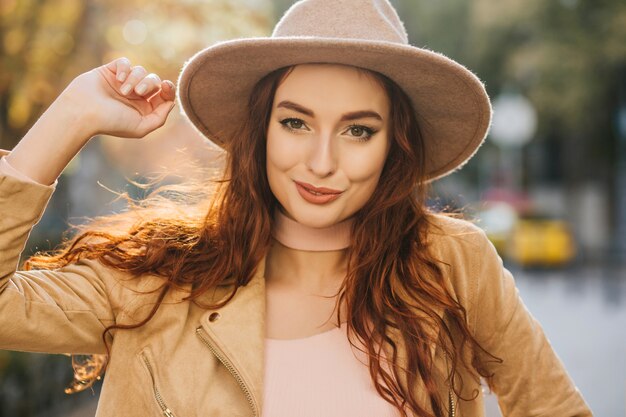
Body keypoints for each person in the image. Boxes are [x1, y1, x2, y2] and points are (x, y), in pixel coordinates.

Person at [0, 0, 592, 416]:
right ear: (261, 131)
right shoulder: (160, 278)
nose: (321, 161)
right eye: (295, 122)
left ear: (395, 145)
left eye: (358, 130)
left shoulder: (452, 263)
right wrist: (72, 115)